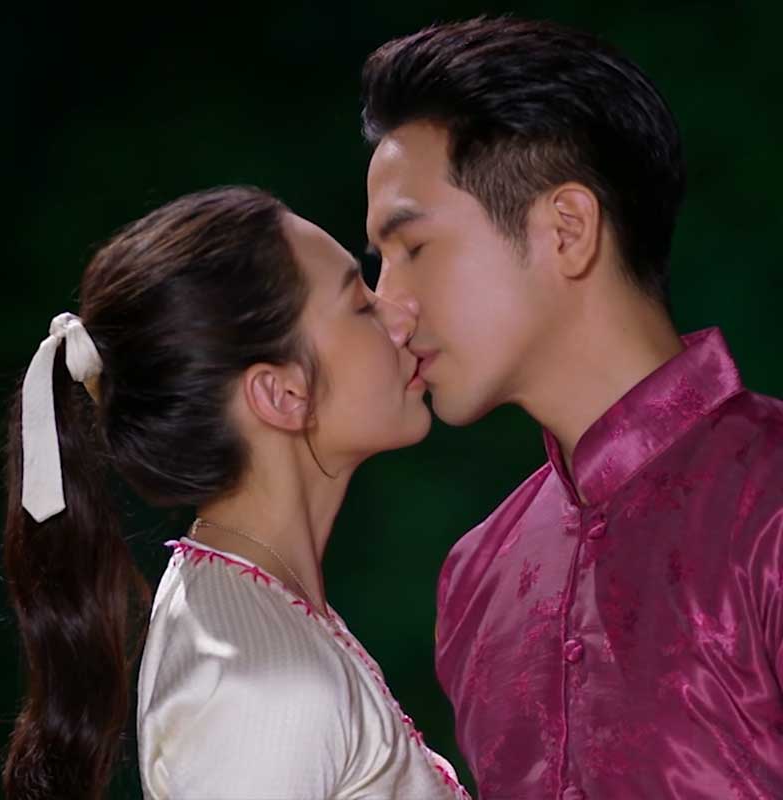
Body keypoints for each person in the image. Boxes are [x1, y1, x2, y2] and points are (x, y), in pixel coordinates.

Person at [361, 16, 783, 800]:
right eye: (378, 262)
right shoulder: (477, 578)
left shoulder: (768, 507)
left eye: (412, 248)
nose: (389, 307)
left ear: (567, 229)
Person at [2, 186, 470, 800]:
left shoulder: (243, 607)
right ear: (281, 394)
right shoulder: (262, 685)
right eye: (360, 304)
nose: (401, 316)